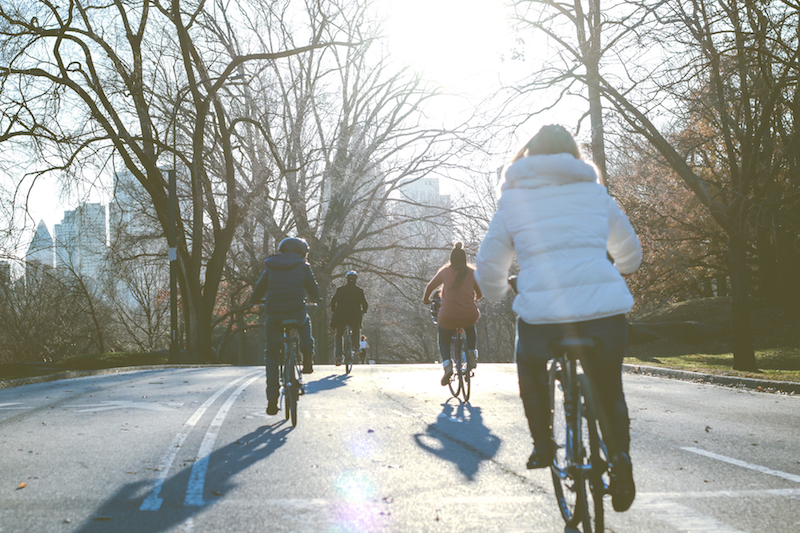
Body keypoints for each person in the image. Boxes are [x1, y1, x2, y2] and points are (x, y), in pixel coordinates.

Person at [475, 125, 642, 513]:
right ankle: (620, 461)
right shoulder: (595, 193)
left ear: (529, 156)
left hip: (544, 317)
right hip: (604, 314)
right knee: (609, 388)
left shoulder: (514, 200)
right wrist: (615, 268)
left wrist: (499, 292)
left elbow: (489, 264)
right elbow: (630, 254)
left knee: (530, 364)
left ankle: (544, 445)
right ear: (573, 155)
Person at [246, 237, 321, 416]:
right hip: (296, 311)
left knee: (271, 353)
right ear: (302, 252)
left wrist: (254, 300)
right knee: (305, 321)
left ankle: (272, 398)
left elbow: (259, 288)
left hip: (274, 314)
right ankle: (307, 356)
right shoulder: (304, 267)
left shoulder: (271, 266)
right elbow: (314, 290)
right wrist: (316, 299)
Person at [423, 242, 483, 386]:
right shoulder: (472, 273)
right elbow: (480, 292)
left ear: (451, 258)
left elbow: (430, 286)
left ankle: (447, 365)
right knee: (470, 327)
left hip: (448, 316)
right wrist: (475, 298)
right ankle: (471, 352)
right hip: (468, 314)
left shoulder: (445, 272)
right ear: (464, 258)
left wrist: (426, 299)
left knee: (443, 339)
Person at [330, 270, 369, 365]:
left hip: (341, 316)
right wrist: (363, 311)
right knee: (357, 329)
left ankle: (338, 354)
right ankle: (356, 347)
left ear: (346, 280)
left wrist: (334, 310)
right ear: (356, 280)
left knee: (339, 335)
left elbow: (333, 301)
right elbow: (365, 304)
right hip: (354, 317)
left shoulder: (340, 290)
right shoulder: (359, 291)